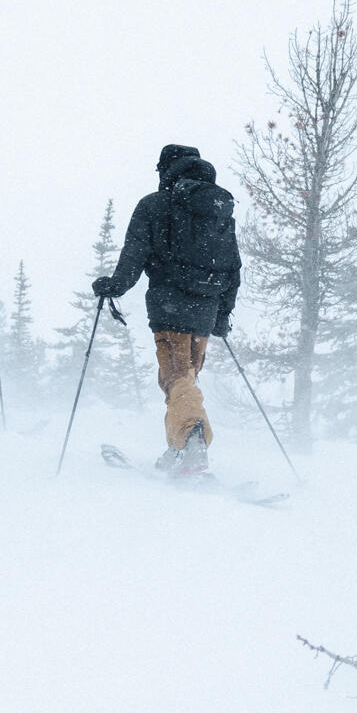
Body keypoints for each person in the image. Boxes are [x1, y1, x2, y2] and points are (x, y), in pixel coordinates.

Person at [93, 144, 240, 475]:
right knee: (182, 379)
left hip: (170, 308)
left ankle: (192, 441)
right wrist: (222, 314)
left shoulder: (155, 205)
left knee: (176, 378)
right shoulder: (219, 210)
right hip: (205, 313)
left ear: (165, 170)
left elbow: (134, 255)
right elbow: (233, 266)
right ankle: (178, 448)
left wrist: (113, 286)